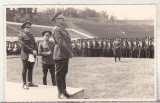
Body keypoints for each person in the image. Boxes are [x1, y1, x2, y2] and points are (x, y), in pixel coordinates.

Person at [52, 12, 74, 99]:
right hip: (60, 53)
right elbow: (60, 43)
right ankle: (60, 92)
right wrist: (69, 53)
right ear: (57, 20)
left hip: (64, 54)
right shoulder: (56, 29)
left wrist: (69, 52)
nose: (63, 20)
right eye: (61, 18)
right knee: (59, 73)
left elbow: (68, 41)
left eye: (63, 18)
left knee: (64, 73)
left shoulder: (62, 29)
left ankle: (64, 91)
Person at [18, 21, 38, 90]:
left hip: (32, 55)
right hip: (25, 54)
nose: (29, 29)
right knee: (25, 68)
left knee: (30, 68)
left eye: (29, 28)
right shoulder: (20, 36)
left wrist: (35, 50)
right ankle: (24, 84)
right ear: (23, 28)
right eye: (27, 28)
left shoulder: (31, 35)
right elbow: (24, 46)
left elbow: (35, 44)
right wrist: (32, 50)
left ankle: (30, 82)